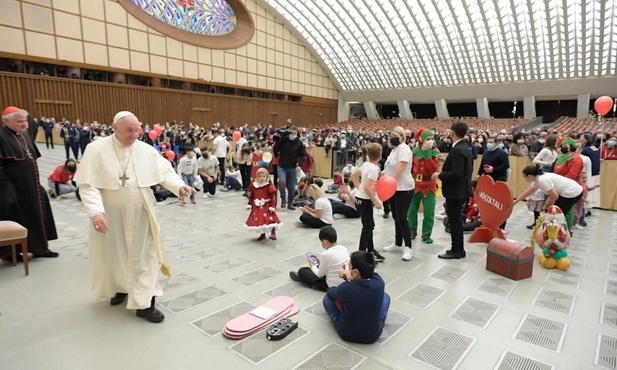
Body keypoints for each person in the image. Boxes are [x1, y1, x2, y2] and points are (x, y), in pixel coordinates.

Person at [74, 111, 196, 323]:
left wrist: (180, 186)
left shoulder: (146, 149)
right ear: (115, 128)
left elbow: (165, 172)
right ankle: (120, 288)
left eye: (137, 130)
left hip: (141, 212)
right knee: (114, 254)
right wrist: (96, 212)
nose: (134, 135)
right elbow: (87, 184)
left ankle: (145, 303)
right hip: (110, 213)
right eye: (129, 131)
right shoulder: (95, 149)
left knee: (144, 256)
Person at [0, 106, 59, 259]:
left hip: (30, 184)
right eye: (20, 121)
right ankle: (11, 253)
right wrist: (5, 187)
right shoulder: (1, 136)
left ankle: (40, 248)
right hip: (10, 187)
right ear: (6, 121)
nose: (24, 124)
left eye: (25, 120)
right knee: (13, 212)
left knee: (40, 205)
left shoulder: (25, 136)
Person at [322, 251, 390, 344]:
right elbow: (372, 275)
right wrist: (350, 276)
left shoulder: (345, 288)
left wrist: (347, 278)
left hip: (347, 333)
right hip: (373, 335)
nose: (347, 268)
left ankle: (336, 319)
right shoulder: (379, 282)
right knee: (386, 297)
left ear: (355, 272)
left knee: (327, 299)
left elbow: (330, 292)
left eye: (349, 266)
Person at [431, 122, 473, 259]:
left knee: (454, 222)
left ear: (453, 133)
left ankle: (456, 250)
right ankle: (459, 250)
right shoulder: (464, 147)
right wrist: (446, 160)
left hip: (455, 191)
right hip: (460, 190)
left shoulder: (458, 150)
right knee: (455, 221)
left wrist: (439, 175)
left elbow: (456, 173)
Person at [513, 164, 583, 232]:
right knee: (552, 213)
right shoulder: (538, 179)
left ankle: (558, 234)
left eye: (524, 177)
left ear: (529, 176)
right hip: (570, 191)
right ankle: (553, 232)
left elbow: (554, 195)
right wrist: (515, 201)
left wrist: (546, 205)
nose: (525, 179)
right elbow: (528, 192)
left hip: (572, 193)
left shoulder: (542, 180)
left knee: (555, 213)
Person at [381, 126, 415, 261]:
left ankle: (408, 247)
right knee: (396, 216)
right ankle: (397, 243)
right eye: (391, 135)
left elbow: (401, 166)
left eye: (395, 135)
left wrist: (391, 181)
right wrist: (383, 174)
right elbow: (390, 167)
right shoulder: (394, 150)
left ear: (402, 137)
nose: (392, 138)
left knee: (401, 217)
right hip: (393, 188)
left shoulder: (405, 149)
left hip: (403, 188)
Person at [351, 142, 385, 262]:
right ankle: (361, 256)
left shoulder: (366, 164)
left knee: (368, 225)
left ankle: (370, 251)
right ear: (380, 155)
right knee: (368, 226)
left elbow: (353, 176)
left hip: (359, 199)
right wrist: (375, 201)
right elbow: (366, 187)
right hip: (365, 201)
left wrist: (358, 187)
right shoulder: (373, 169)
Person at [289, 226, 349, 291]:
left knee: (302, 271)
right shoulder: (343, 248)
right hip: (344, 281)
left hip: (331, 285)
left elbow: (319, 274)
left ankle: (303, 278)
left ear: (325, 242)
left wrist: (312, 265)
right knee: (319, 266)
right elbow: (334, 262)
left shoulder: (326, 254)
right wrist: (320, 260)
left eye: (321, 242)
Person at [407, 129, 441, 244]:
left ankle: (426, 234)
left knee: (429, 211)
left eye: (432, 139)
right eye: (428, 139)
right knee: (411, 210)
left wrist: (427, 155)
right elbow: (410, 167)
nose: (430, 141)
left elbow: (433, 169)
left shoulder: (435, 152)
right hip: (415, 184)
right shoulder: (414, 151)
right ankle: (411, 231)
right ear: (421, 140)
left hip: (429, 185)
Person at [273, 125, 306, 210]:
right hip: (282, 166)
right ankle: (283, 198)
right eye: (291, 133)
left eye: (295, 133)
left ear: (297, 133)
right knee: (282, 182)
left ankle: (290, 203)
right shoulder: (284, 140)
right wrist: (278, 141)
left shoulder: (299, 143)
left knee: (292, 186)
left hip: (292, 167)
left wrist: (300, 165)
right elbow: (276, 151)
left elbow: (302, 155)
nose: (293, 134)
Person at [245, 168, 281, 241]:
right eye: (260, 176)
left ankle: (273, 232)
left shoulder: (268, 186)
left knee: (270, 219)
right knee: (260, 221)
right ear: (257, 177)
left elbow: (272, 197)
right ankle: (262, 234)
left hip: (267, 206)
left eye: (264, 176)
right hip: (257, 206)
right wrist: (250, 204)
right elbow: (251, 196)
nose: (262, 178)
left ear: (267, 177)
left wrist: (272, 206)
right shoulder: (254, 185)